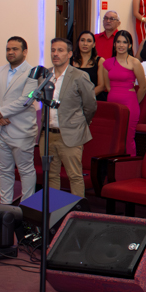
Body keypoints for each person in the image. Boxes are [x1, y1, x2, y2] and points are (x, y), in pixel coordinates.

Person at [43, 38, 98, 197]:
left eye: (60, 50)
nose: (55, 54)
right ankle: (53, 208)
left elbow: (90, 105)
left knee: (74, 176)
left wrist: (81, 123)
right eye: (53, 50)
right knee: (51, 175)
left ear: (69, 54)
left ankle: (77, 210)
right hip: (48, 134)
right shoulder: (45, 75)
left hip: (70, 133)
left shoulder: (79, 76)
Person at [0, 37, 38, 204]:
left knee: (25, 170)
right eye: (8, 49)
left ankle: (27, 206)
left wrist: (0, 112)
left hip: (21, 130)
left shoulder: (32, 73)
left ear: (25, 52)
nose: (10, 52)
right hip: (0, 129)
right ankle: (5, 206)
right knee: (4, 170)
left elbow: (26, 100)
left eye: (15, 49)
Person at [101, 31, 146, 156]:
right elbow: (107, 86)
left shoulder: (135, 62)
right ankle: (112, 165)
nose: (121, 45)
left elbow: (143, 87)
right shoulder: (107, 63)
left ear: (130, 45)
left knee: (127, 137)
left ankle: (129, 165)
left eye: (124, 42)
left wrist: (134, 102)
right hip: (112, 104)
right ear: (114, 44)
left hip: (130, 104)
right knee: (113, 137)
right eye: (118, 42)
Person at [72, 31, 106, 98]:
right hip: (73, 99)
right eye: (82, 40)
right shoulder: (69, 60)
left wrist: (85, 97)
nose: (85, 44)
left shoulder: (100, 61)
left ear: (93, 44)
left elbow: (102, 86)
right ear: (78, 43)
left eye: (89, 41)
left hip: (93, 99)